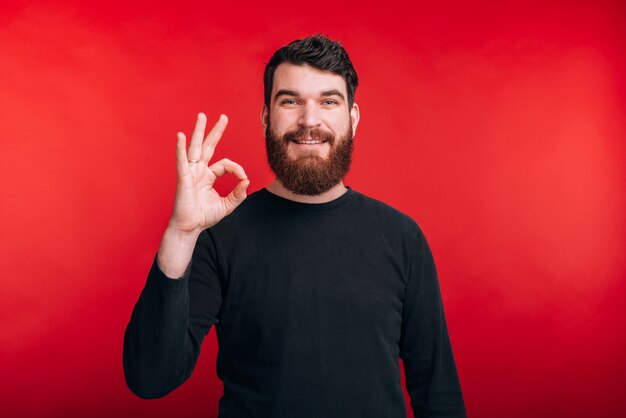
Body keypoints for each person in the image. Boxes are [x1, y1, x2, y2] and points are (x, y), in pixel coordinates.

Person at [123, 34, 466, 418]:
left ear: (352, 118)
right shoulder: (220, 235)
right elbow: (150, 378)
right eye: (290, 101)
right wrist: (182, 234)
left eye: (328, 101)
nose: (309, 120)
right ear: (266, 117)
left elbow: (439, 395)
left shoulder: (402, 238)